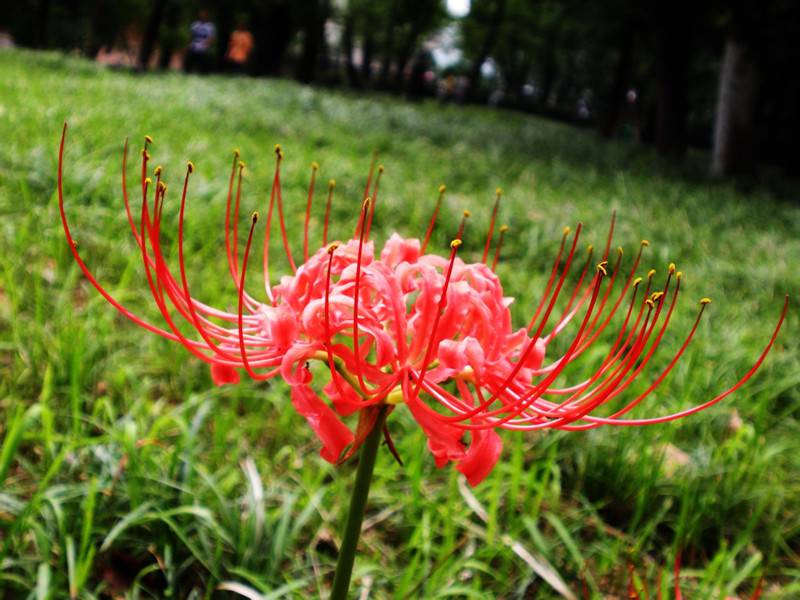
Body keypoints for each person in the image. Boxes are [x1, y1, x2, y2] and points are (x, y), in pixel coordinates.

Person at [184, 9, 216, 74]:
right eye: (201, 14)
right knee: (189, 57)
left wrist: (206, 44)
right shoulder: (195, 25)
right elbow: (190, 35)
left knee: (203, 59)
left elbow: (211, 37)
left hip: (204, 45)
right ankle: (187, 72)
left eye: (204, 14)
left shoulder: (210, 26)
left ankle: (203, 72)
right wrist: (188, 44)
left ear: (207, 16)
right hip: (194, 44)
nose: (202, 16)